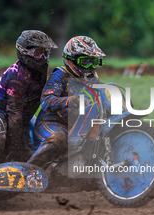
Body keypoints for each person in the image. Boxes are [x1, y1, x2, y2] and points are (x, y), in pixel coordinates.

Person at [0, 30, 57, 180]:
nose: (43, 57)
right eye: (38, 53)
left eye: (46, 52)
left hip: (20, 113)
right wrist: (15, 145)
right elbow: (14, 113)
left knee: (29, 150)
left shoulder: (40, 71)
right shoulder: (18, 75)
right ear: (24, 51)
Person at [27, 36, 106, 169]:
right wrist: (70, 100)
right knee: (58, 140)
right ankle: (28, 171)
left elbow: (102, 96)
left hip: (77, 124)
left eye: (94, 61)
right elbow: (47, 101)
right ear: (71, 60)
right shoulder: (60, 75)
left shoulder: (94, 79)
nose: (91, 66)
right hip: (52, 123)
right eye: (86, 61)